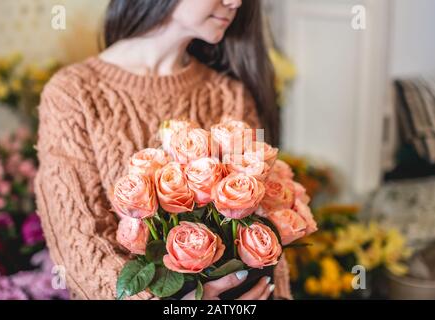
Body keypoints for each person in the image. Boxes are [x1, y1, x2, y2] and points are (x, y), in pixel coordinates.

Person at [34, 0, 288, 300]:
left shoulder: (230, 95)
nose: (236, 2)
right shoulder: (73, 94)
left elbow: (265, 225)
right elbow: (79, 241)